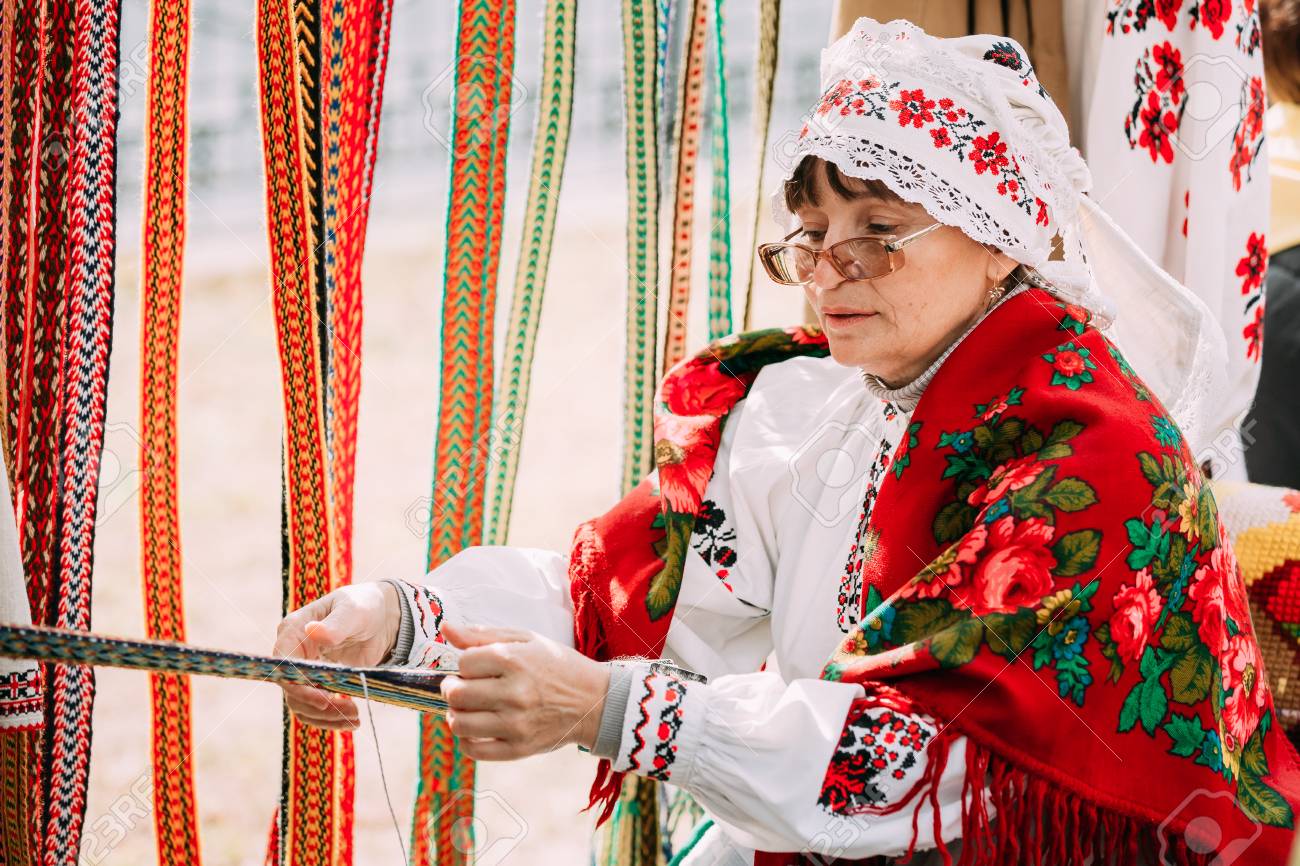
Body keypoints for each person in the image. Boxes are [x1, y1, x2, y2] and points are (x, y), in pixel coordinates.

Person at [275, 18, 1300, 865]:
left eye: (878, 229)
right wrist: (404, 613)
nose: (828, 269)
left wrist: (622, 710)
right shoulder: (816, 400)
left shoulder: (1090, 454)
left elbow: (929, 759)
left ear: (996, 238)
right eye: (810, 233)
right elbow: (643, 584)